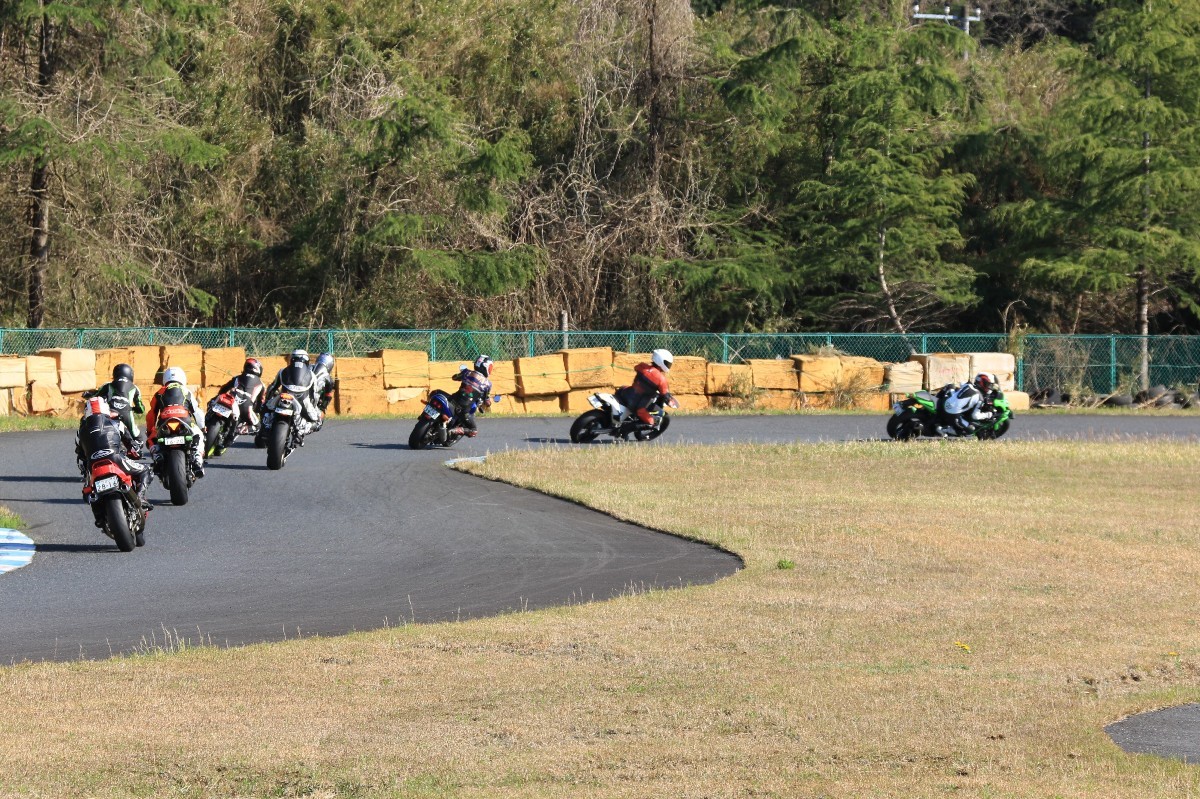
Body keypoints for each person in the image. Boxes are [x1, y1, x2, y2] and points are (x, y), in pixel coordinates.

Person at [75, 397, 151, 525]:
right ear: (106, 408)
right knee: (145, 470)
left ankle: (99, 517)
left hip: (94, 465)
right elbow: (132, 446)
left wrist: (85, 471)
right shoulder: (117, 423)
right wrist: (137, 453)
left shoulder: (80, 432)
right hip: (115, 459)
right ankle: (141, 497)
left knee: (88, 491)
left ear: (87, 412)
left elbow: (80, 458)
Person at [145, 366, 207, 478]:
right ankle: (197, 458)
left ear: (165, 378)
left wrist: (150, 431)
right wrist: (202, 428)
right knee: (199, 435)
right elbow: (197, 412)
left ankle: (157, 456)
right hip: (184, 421)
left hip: (165, 423)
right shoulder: (186, 391)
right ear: (183, 378)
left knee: (151, 440)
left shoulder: (159, 393)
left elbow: (151, 414)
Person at [257, 349, 320, 444]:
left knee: (264, 407)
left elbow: (272, 387)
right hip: (303, 401)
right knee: (317, 422)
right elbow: (315, 395)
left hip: (282, 397)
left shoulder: (282, 371)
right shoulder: (312, 375)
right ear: (307, 361)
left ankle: (266, 427)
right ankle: (301, 431)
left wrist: (267, 400)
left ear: (292, 359)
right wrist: (314, 406)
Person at [83, 363, 147, 442]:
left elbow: (95, 395)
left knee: (100, 428)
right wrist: (135, 409)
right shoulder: (135, 388)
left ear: (115, 374)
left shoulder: (108, 385)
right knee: (138, 438)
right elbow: (141, 408)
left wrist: (87, 395)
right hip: (126, 414)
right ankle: (136, 445)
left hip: (111, 412)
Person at [615, 348, 673, 428]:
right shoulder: (661, 379)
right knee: (651, 422)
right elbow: (665, 394)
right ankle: (625, 429)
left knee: (623, 387)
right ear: (661, 362)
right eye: (667, 363)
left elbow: (636, 367)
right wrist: (670, 401)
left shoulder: (642, 366)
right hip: (637, 404)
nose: (668, 365)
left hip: (627, 394)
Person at [214, 357, 265, 435]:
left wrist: (219, 395)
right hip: (246, 408)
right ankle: (239, 430)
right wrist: (257, 411)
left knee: (213, 403)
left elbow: (224, 388)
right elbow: (260, 401)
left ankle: (207, 421)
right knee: (258, 427)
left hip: (231, 402)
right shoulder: (261, 384)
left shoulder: (237, 378)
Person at [938, 372, 1000, 436]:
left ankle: (936, 398)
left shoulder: (969, 385)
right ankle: (942, 429)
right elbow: (975, 416)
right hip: (952, 413)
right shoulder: (980, 398)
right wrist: (988, 415)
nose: (989, 387)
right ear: (982, 382)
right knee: (970, 430)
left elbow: (961, 384)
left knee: (950, 386)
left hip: (946, 401)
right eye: (988, 385)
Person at [448, 355, 494, 438]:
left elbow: (454, 377)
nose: (491, 369)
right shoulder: (487, 384)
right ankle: (455, 430)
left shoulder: (467, 372)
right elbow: (486, 400)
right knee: (473, 431)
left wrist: (461, 375)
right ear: (485, 367)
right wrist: (488, 403)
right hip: (463, 409)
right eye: (490, 367)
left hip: (452, 400)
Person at [311, 352, 337, 428]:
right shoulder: (329, 379)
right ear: (330, 365)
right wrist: (323, 407)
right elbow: (328, 395)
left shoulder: (309, 367)